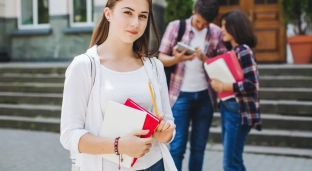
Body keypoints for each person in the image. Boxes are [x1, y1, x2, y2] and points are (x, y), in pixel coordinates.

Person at [60, 0, 177, 171]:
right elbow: (70, 135)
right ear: (108, 14)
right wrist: (119, 145)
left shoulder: (154, 66)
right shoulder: (85, 66)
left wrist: (166, 134)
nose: (135, 23)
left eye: (142, 16)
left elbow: (168, 120)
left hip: (155, 164)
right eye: (128, 13)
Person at [158, 0, 227, 170]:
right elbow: (161, 59)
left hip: (205, 96)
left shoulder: (216, 32)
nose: (201, 26)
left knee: (198, 148)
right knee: (177, 147)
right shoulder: (176, 27)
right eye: (198, 21)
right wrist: (178, 59)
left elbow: (222, 64)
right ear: (194, 10)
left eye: (205, 24)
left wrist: (205, 58)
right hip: (180, 96)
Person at [210, 10, 262, 171]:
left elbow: (251, 84)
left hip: (238, 110)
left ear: (236, 27)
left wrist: (224, 87)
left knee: (230, 163)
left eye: (225, 26)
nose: (221, 29)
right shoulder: (232, 52)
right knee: (234, 161)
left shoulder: (244, 50)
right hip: (229, 108)